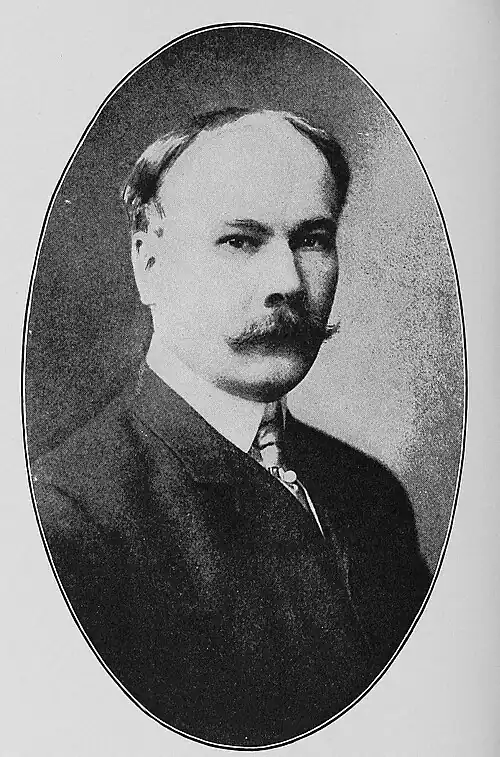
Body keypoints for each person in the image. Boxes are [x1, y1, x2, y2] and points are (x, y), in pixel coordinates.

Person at [31, 107, 430, 747]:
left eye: (312, 240)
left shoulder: (371, 497)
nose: (287, 282)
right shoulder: (63, 521)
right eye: (239, 241)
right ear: (148, 264)